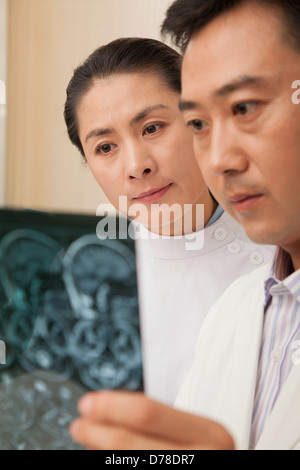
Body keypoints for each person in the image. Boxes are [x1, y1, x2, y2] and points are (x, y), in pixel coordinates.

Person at [67, 0, 300, 450]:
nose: (136, 167)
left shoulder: (259, 255)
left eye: (153, 128)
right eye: (104, 147)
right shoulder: (243, 304)